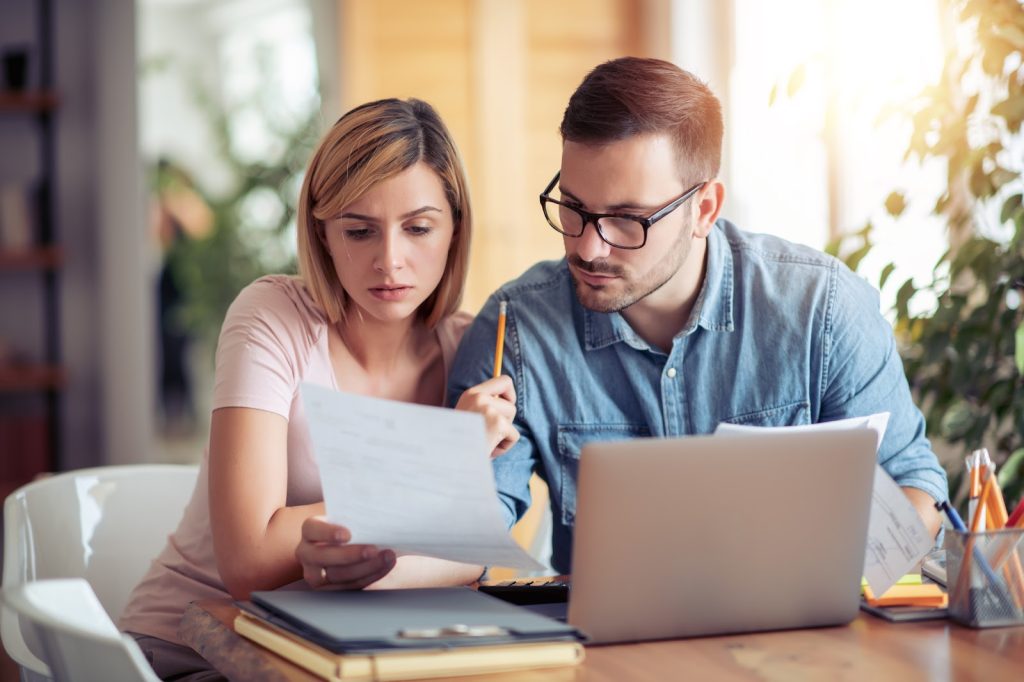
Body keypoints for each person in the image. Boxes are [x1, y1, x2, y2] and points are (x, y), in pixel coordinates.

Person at [446, 57, 948, 576]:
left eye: (626, 219)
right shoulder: (516, 330)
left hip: (801, 643)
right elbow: (464, 545)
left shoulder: (823, 308)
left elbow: (913, 489)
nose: (590, 246)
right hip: (611, 652)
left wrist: (820, 574)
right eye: (573, 208)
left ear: (704, 209)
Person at [119, 98, 518, 680]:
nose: (390, 260)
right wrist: (441, 467)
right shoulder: (272, 317)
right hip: (193, 649)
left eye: (419, 228)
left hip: (349, 649)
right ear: (322, 234)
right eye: (359, 230)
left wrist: (358, 551)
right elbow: (252, 563)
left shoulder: (472, 351)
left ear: (456, 229)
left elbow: (472, 560)